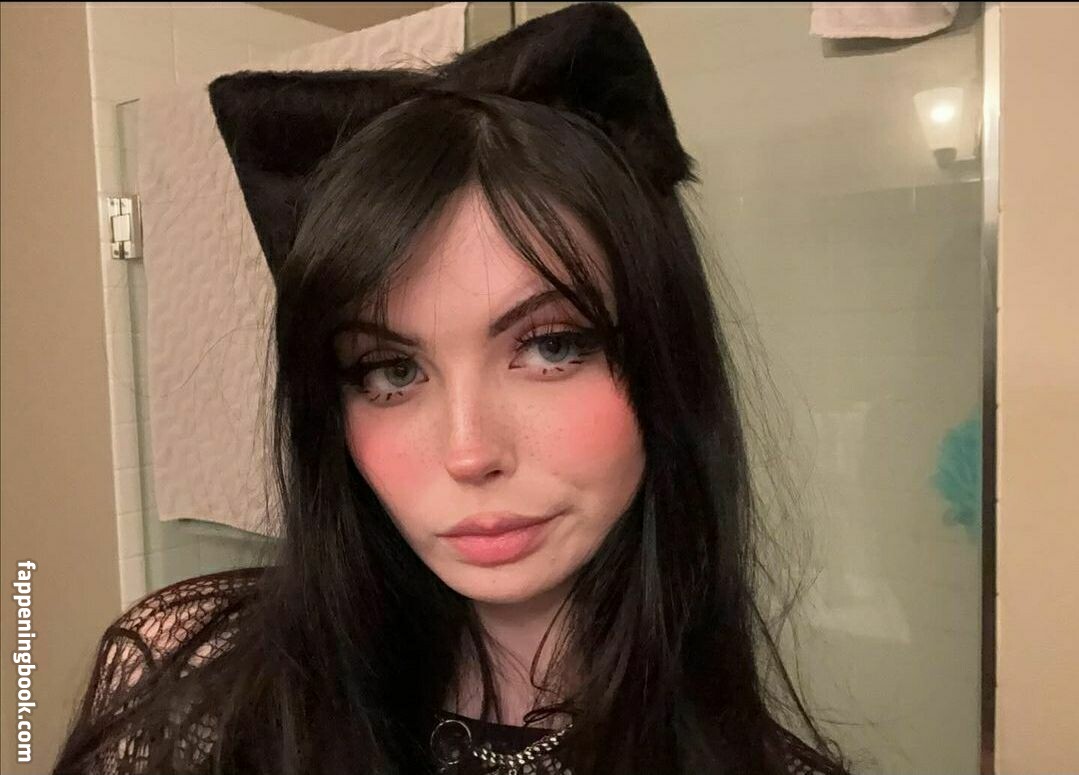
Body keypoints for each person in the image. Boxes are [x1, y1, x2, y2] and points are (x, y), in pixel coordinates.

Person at [53, 4, 854, 774]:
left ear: (663, 360)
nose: (469, 452)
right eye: (391, 370)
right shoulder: (181, 690)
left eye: (551, 345)